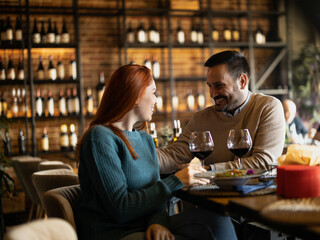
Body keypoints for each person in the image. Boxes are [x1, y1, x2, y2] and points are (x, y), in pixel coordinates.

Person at [75, 64, 237, 240]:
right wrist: (177, 181)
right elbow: (120, 208)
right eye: (153, 93)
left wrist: (158, 222)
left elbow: (155, 195)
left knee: (218, 220)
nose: (156, 100)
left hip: (145, 227)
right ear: (136, 95)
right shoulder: (100, 137)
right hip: (115, 233)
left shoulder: (144, 140)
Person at [157, 51, 285, 172]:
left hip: (257, 193)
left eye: (219, 86)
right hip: (213, 193)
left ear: (242, 81)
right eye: (209, 86)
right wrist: (140, 155)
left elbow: (265, 162)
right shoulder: (201, 118)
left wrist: (211, 170)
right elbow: (172, 155)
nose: (212, 94)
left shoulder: (267, 107)